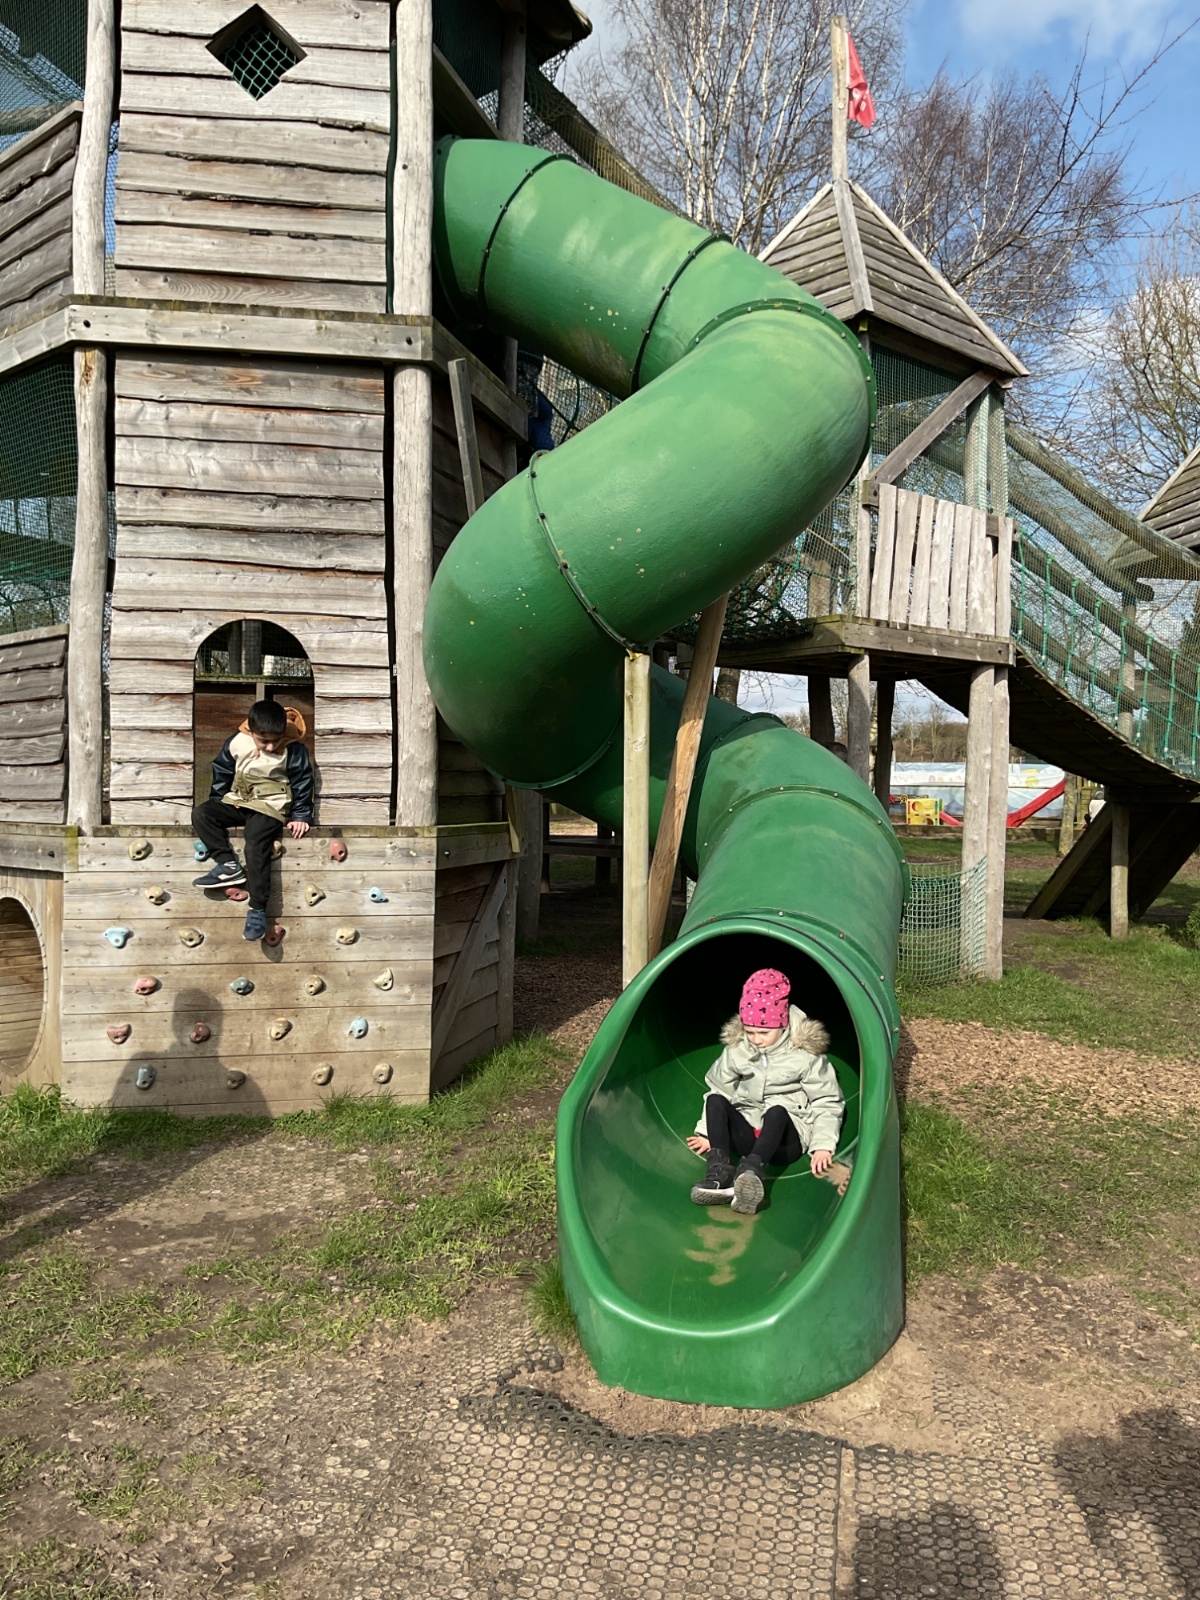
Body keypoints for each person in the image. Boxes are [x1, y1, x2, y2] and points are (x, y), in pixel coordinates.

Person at [687, 968, 844, 1215]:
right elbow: (719, 1086)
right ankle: (719, 1174)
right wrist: (709, 1133)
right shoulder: (738, 1048)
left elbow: (826, 1100)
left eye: (764, 1032)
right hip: (749, 1131)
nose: (756, 1039)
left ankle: (752, 1174)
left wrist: (822, 1145)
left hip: (786, 1139)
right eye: (750, 1032)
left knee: (777, 1111)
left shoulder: (804, 1054)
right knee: (716, 1100)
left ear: (782, 1025)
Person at [192, 700, 313, 941]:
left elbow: (302, 781)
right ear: (250, 730)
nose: (270, 747)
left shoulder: (293, 749)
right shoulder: (237, 742)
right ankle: (228, 865)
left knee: (256, 842)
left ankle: (257, 909)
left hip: (270, 807)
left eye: (275, 740)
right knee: (201, 814)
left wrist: (300, 815)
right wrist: (219, 801)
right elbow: (222, 771)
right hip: (239, 801)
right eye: (263, 740)